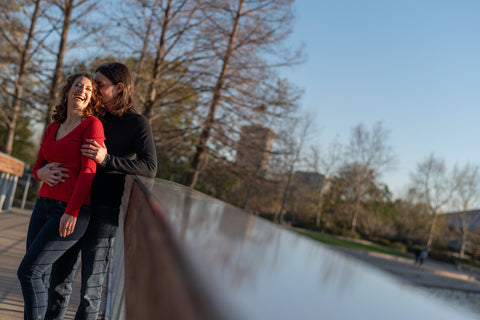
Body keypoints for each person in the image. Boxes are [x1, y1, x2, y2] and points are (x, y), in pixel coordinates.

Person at [39, 62, 157, 320]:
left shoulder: (137, 123)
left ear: (119, 88)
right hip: (73, 207)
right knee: (59, 282)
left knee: (91, 290)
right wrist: (42, 171)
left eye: (100, 85)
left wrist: (107, 159)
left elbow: (149, 167)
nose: (94, 89)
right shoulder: (90, 117)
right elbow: (58, 148)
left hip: (104, 212)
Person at [17, 72, 105, 320]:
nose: (83, 91)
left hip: (69, 212)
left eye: (89, 89)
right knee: (39, 275)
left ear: (91, 99)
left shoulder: (92, 125)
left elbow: (89, 171)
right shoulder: (52, 127)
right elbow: (36, 167)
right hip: (42, 205)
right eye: (78, 86)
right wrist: (40, 173)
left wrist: (72, 211)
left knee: (29, 272)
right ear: (67, 92)